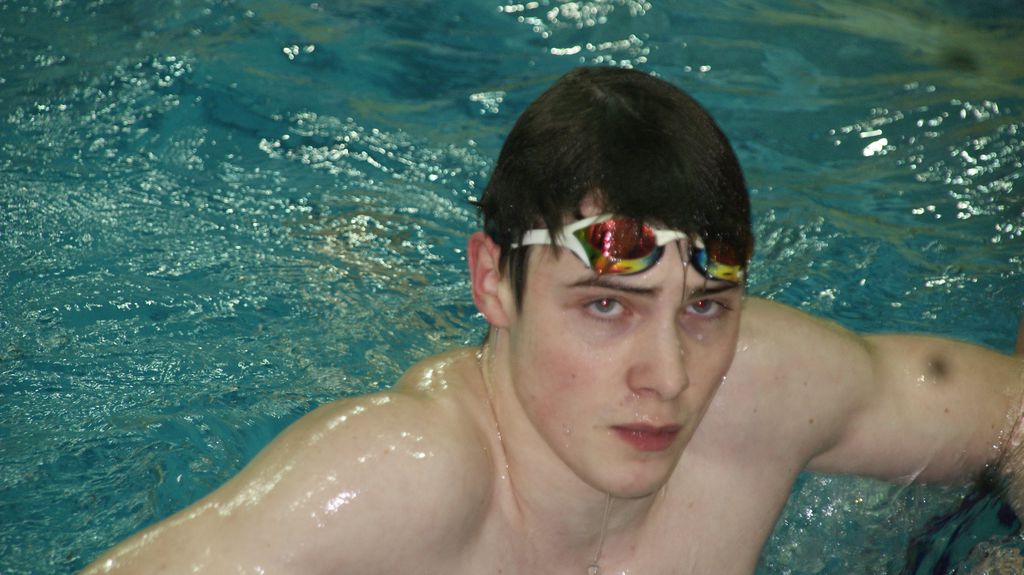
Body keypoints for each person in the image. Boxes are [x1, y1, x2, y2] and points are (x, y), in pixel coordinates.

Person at [84, 66, 1024, 574]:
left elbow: (1013, 413)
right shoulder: (397, 477)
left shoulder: (765, 384)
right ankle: (351, 254)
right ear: (492, 280)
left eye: (705, 307)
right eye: (606, 304)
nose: (670, 375)